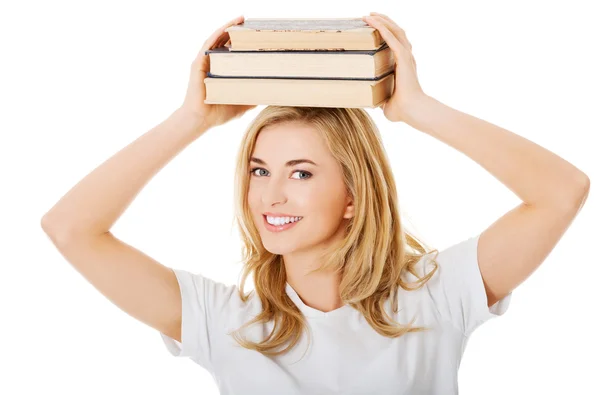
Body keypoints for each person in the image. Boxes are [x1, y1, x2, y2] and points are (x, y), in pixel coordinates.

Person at [41, 13, 590, 395]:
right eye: (260, 171)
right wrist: (194, 118)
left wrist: (416, 109)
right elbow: (69, 228)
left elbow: (561, 192)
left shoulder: (435, 297)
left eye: (300, 173)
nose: (270, 194)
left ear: (354, 196)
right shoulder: (223, 322)